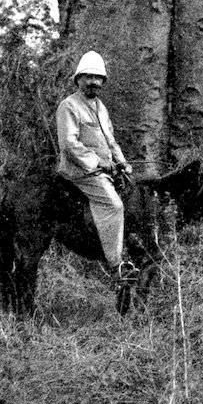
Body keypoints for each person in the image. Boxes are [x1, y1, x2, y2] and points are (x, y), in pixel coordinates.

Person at [56, 51, 139, 282]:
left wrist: (121, 162)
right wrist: (99, 163)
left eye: (98, 77)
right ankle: (116, 265)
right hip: (81, 172)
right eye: (88, 77)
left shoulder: (101, 107)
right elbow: (69, 144)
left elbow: (110, 140)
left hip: (104, 169)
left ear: (103, 81)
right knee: (114, 205)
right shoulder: (68, 106)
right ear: (78, 79)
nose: (93, 81)